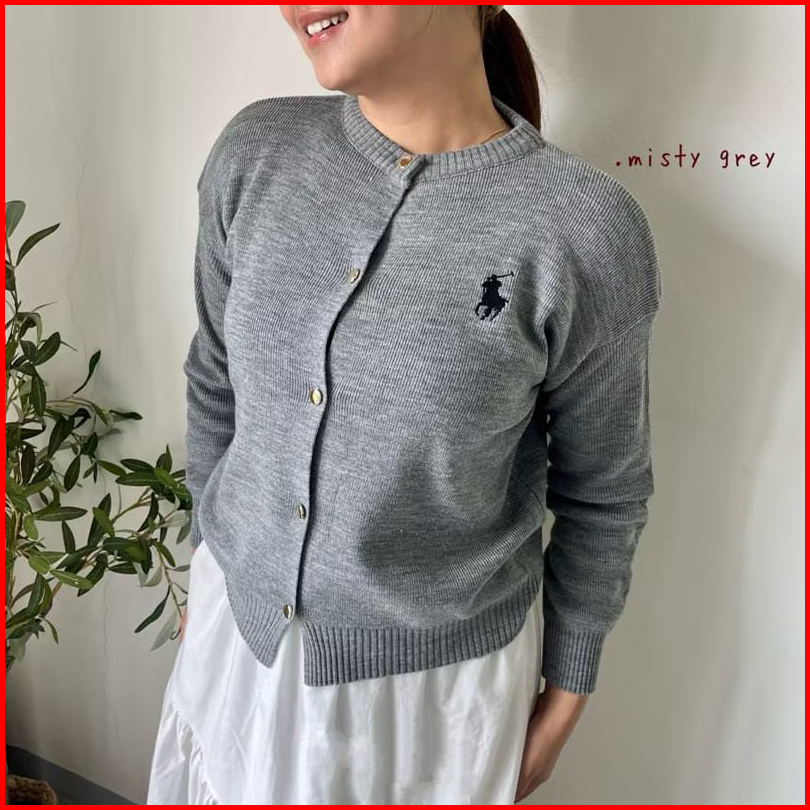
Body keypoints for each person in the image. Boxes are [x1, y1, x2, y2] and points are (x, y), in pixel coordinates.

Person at [146, 4, 662, 805]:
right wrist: (213, 561)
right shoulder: (258, 152)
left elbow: (604, 491)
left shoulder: (581, 228)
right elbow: (215, 378)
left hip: (426, 702)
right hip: (235, 639)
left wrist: (567, 693)